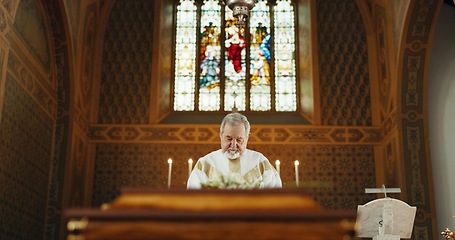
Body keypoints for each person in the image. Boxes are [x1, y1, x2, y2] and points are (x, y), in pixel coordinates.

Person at [187, 113, 282, 189]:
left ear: (247, 137)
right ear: (220, 135)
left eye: (239, 140)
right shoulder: (205, 164)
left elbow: (275, 197)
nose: (233, 145)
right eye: (228, 139)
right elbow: (193, 198)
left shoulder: (260, 162)